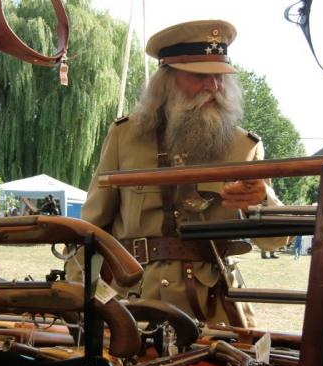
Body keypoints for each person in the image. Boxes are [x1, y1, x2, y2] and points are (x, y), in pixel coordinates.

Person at [65, 19, 289, 328]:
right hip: (134, 308)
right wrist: (83, 301)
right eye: (200, 76)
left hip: (215, 313)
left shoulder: (244, 147)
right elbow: (89, 233)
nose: (213, 88)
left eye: (220, 78)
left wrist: (262, 200)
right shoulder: (125, 136)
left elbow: (275, 241)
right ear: (166, 81)